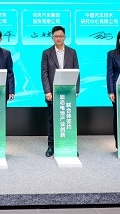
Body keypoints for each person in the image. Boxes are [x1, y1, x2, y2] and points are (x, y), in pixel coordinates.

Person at [41, 25, 79, 157]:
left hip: (68, 92)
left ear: (65, 37)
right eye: (56, 36)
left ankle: (70, 145)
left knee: (68, 119)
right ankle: (51, 146)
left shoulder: (72, 52)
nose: (58, 38)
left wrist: (76, 89)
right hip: (53, 92)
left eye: (61, 36)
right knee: (52, 120)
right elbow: (44, 73)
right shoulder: (47, 53)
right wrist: (47, 91)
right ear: (52, 38)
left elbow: (76, 71)